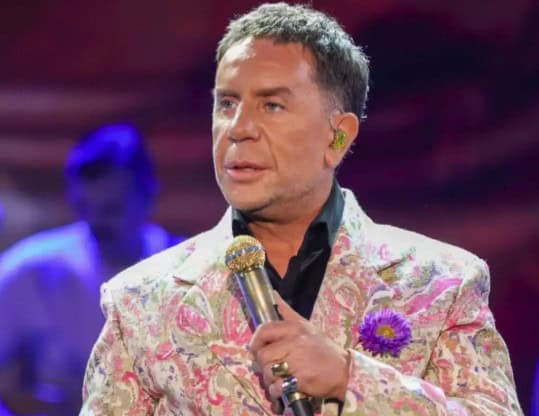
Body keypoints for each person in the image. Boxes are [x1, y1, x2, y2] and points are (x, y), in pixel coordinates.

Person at [81, 3, 522, 415]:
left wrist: (350, 378)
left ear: (338, 137)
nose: (238, 128)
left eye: (272, 105)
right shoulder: (139, 302)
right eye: (227, 104)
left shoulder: (443, 282)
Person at [0, 123, 182, 415]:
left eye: (112, 209)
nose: (98, 223)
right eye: (85, 208)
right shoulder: (29, 269)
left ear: (149, 195)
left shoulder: (190, 272)